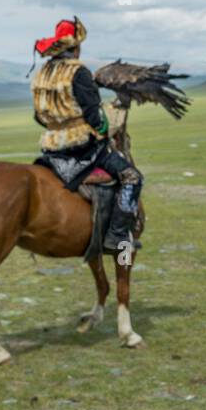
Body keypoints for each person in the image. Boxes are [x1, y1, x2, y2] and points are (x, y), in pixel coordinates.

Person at [30, 18, 142, 253]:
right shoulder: (78, 72)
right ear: (75, 47)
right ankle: (117, 235)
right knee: (132, 177)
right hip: (82, 148)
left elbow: (38, 116)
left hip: (51, 148)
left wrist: (57, 126)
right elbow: (95, 118)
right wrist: (105, 130)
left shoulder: (42, 73)